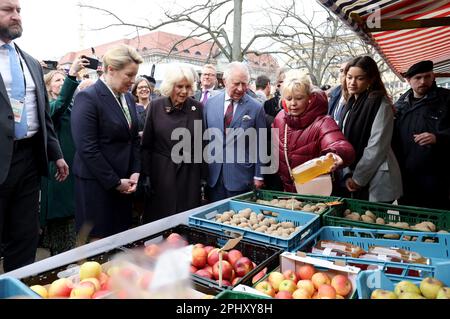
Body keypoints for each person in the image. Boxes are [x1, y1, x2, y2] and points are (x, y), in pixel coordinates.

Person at [0, 0, 68, 272]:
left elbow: (42, 115)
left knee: (25, 237)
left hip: (29, 160)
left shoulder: (30, 62)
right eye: (8, 10)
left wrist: (57, 154)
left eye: (19, 10)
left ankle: (19, 287)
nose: (16, 16)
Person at [71, 44, 143, 239]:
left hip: (125, 183)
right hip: (97, 185)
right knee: (97, 245)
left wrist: (135, 170)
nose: (133, 81)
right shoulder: (88, 98)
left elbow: (133, 139)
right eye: (129, 75)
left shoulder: (127, 98)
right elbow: (87, 148)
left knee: (119, 242)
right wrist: (114, 182)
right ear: (111, 69)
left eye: (135, 75)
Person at [141, 64, 205, 223]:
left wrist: (203, 178)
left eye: (188, 86)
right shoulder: (155, 106)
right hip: (162, 172)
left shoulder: (196, 108)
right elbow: (146, 144)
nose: (184, 91)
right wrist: (146, 175)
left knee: (185, 221)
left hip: (189, 174)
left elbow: (201, 144)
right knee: (161, 219)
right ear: (170, 86)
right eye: (180, 86)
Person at [272, 70, 355, 193]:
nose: (293, 103)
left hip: (318, 194)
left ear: (309, 98)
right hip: (289, 193)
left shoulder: (323, 122)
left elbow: (341, 145)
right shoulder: (279, 118)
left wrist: (337, 154)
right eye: (288, 99)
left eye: (299, 98)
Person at [40, 56, 89, 256]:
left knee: (72, 224)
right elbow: (58, 106)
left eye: (63, 80)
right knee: (61, 225)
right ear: (48, 87)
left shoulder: (71, 104)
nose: (61, 82)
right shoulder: (49, 107)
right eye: (57, 80)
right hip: (58, 173)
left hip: (74, 170)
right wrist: (71, 76)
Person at [338, 56, 402, 202]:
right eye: (349, 77)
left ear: (370, 80)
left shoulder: (380, 103)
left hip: (376, 176)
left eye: (359, 78)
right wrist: (347, 173)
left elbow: (377, 146)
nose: (352, 82)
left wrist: (358, 179)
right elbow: (343, 141)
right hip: (353, 173)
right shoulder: (350, 103)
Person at [204, 61, 266, 202]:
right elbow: (204, 140)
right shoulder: (210, 104)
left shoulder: (256, 108)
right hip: (214, 177)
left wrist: (259, 175)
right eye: (236, 83)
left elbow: (261, 145)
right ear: (225, 81)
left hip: (241, 177)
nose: (240, 88)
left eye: (244, 84)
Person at [393, 60, 450, 209]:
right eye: (418, 78)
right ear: (408, 80)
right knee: (409, 222)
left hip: (438, 177)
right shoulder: (399, 105)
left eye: (427, 76)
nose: (423, 81)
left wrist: (438, 138)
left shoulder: (446, 99)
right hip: (406, 178)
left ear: (433, 77)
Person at [328, 61, 349, 125]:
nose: (344, 74)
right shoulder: (334, 94)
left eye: (347, 70)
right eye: (341, 70)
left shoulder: (357, 96)